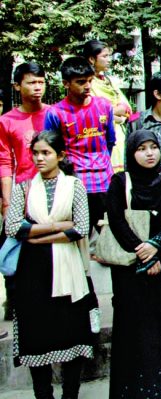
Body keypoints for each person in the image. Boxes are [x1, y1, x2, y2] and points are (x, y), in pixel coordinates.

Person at [6, 130, 99, 399]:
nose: (39, 158)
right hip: (33, 272)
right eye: (35, 153)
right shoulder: (24, 187)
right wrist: (59, 226)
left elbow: (81, 227)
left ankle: (71, 394)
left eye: (45, 153)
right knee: (37, 335)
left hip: (69, 270)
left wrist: (37, 233)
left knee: (71, 331)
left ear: (60, 156)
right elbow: (13, 226)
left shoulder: (75, 186)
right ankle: (43, 395)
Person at [105, 130, 161, 398]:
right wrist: (141, 250)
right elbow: (116, 220)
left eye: (153, 147)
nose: (149, 153)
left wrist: (156, 246)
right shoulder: (120, 182)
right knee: (138, 327)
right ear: (131, 153)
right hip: (132, 266)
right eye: (142, 148)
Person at [44, 57, 116, 231]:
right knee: (78, 236)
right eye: (81, 82)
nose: (88, 86)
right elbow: (51, 149)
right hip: (74, 185)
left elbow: (110, 142)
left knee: (107, 239)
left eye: (90, 81)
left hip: (105, 183)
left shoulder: (104, 106)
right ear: (66, 83)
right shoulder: (55, 113)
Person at [1, 62, 47, 215]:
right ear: (17, 86)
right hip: (24, 190)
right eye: (32, 82)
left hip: (54, 188)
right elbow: (5, 163)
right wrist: (7, 203)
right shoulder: (6, 121)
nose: (38, 87)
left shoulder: (55, 115)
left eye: (41, 82)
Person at [83, 40, 132, 173]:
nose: (109, 60)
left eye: (109, 56)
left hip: (120, 135)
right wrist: (114, 113)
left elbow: (127, 108)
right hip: (100, 136)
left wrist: (116, 116)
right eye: (104, 56)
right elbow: (94, 113)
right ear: (92, 59)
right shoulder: (88, 84)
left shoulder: (110, 81)